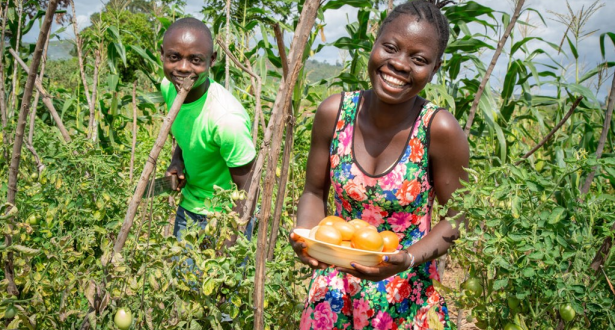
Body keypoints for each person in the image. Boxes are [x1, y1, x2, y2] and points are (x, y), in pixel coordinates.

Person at [290, 1, 469, 328]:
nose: (399, 64)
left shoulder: (438, 130)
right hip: (334, 290)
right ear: (374, 43)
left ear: (435, 67)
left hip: (404, 295)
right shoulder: (334, 113)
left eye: (418, 59)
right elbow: (314, 192)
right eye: (390, 47)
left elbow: (458, 216)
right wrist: (309, 237)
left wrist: (407, 259)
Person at [160, 17, 256, 242]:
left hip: (225, 218)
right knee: (181, 277)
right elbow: (187, 130)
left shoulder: (227, 119)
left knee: (222, 278)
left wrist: (229, 246)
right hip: (188, 208)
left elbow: (248, 190)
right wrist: (177, 160)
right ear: (162, 54)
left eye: (195, 60)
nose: (183, 68)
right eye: (174, 57)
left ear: (212, 60)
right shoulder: (169, 88)